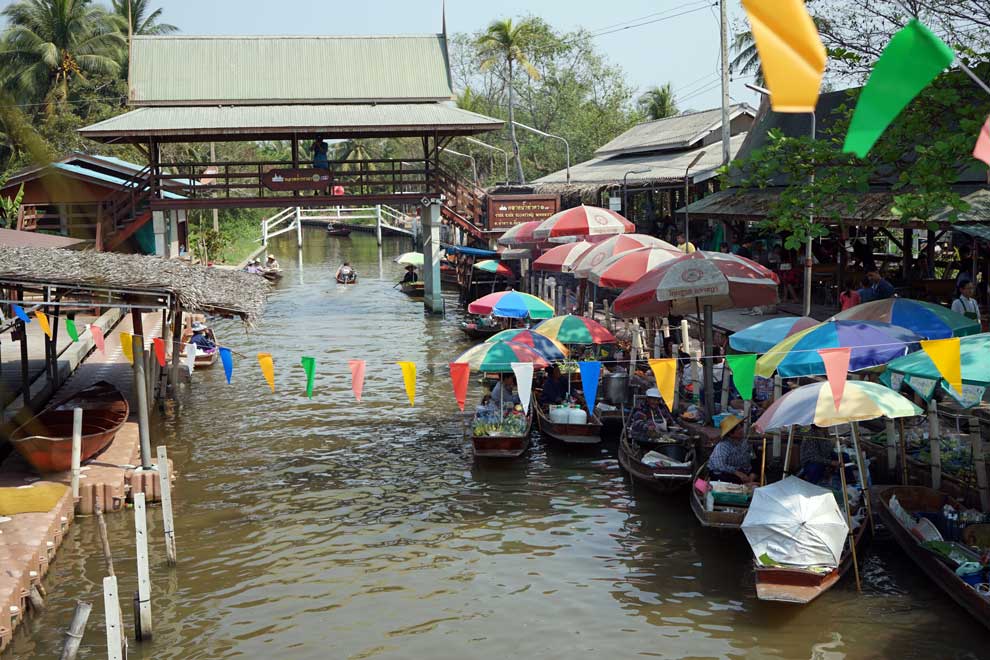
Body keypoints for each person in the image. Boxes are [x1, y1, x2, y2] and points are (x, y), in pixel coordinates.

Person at [708, 415, 756, 484]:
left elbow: (751, 457)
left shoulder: (744, 442)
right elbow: (719, 465)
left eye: (741, 427)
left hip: (742, 471)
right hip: (724, 474)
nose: (742, 430)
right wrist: (737, 473)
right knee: (727, 478)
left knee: (758, 463)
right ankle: (746, 483)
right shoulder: (722, 446)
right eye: (738, 429)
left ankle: (750, 481)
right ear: (730, 433)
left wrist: (750, 474)